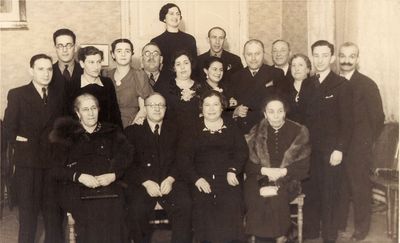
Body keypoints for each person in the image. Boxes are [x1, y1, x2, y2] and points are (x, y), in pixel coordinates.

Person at [49, 93, 133, 243]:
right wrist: (79, 176)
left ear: (99, 110)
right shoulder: (65, 134)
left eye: (93, 108)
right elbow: (55, 168)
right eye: (85, 109)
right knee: (91, 214)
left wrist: (113, 175)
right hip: (77, 187)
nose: (91, 113)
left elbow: (127, 156)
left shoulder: (112, 131)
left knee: (117, 211)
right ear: (77, 113)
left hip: (108, 185)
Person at [3, 54, 66, 243]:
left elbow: (64, 127)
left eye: (49, 69)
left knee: (54, 215)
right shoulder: (18, 94)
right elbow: (7, 129)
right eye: (41, 69)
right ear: (31, 71)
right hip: (28, 164)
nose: (46, 73)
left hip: (52, 164)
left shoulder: (59, 94)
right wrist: (20, 140)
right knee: (28, 217)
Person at [300, 40, 353, 243]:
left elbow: (347, 123)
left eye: (324, 55)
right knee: (311, 191)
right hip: (309, 150)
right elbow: (303, 118)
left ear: (331, 58)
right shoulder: (307, 82)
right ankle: (311, 232)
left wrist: (339, 149)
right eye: (316, 55)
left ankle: (330, 236)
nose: (320, 60)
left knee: (330, 193)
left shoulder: (342, 85)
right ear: (312, 57)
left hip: (331, 151)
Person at [178, 90, 248, 242]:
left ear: (222, 107)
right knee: (203, 208)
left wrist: (233, 170)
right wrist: (196, 179)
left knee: (233, 204)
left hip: (228, 178)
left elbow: (241, 151)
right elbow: (183, 158)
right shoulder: (191, 128)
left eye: (215, 104)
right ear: (201, 108)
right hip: (201, 180)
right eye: (207, 104)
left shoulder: (231, 126)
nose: (211, 108)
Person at [124, 93, 192, 243]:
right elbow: (128, 165)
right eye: (152, 106)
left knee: (185, 204)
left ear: (166, 109)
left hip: (171, 182)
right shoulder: (132, 132)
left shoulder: (177, 130)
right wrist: (146, 182)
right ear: (145, 109)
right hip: (144, 184)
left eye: (160, 105)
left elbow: (182, 159)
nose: (157, 109)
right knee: (136, 210)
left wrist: (170, 179)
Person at [244, 96, 310, 243]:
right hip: (260, 175)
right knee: (256, 193)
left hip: (287, 177)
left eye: (280, 111)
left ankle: (280, 236)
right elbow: (248, 164)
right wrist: (265, 172)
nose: (275, 116)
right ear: (265, 114)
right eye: (271, 111)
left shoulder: (299, 131)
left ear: (285, 113)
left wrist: (281, 172)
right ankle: (265, 237)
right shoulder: (255, 132)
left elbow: (304, 166)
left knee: (276, 195)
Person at [336, 42, 384, 241]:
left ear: (357, 59)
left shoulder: (367, 84)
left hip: (358, 146)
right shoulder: (333, 82)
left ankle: (361, 229)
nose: (346, 60)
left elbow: (378, 118)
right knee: (340, 187)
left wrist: (365, 141)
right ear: (338, 58)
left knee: (359, 188)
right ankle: (338, 225)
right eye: (343, 56)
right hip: (337, 146)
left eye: (351, 56)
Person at [228, 39, 285, 134]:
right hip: (244, 130)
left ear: (263, 54)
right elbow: (226, 106)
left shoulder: (276, 74)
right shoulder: (235, 77)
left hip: (269, 128)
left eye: (257, 54)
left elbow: (283, 103)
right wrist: (235, 111)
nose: (253, 58)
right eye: (249, 54)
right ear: (244, 55)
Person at [70, 46, 123, 128]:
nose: (96, 67)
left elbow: (115, 114)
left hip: (106, 134)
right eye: (91, 62)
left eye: (98, 62)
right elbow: (69, 117)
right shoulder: (72, 84)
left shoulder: (107, 83)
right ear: (82, 64)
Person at [104, 38, 153, 128]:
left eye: (127, 51)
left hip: (132, 124)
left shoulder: (139, 75)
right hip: (109, 126)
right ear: (113, 54)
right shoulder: (106, 75)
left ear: (131, 54)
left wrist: (132, 128)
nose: (123, 54)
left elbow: (144, 108)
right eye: (119, 51)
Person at [157, 50, 201, 130]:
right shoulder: (164, 87)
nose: (182, 67)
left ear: (191, 65)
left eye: (186, 63)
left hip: (196, 133)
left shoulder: (201, 88)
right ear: (174, 68)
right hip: (170, 133)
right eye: (178, 64)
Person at [151, 3, 197, 72]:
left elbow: (194, 65)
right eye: (171, 14)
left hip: (186, 79)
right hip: (166, 80)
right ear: (164, 18)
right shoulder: (156, 41)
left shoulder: (190, 39)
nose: (175, 16)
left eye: (177, 14)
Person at [51, 28, 83, 97]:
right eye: (60, 46)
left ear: (74, 46)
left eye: (68, 45)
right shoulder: (48, 72)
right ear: (55, 48)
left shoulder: (85, 70)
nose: (64, 50)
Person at [285, 54, 311, 124]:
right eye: (293, 66)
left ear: (308, 69)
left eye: (300, 65)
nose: (296, 69)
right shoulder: (284, 89)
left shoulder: (315, 88)